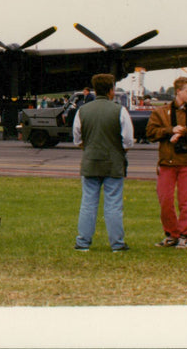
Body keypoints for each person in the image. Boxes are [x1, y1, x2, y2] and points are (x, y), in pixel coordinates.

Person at [72, 74, 134, 252]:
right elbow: (128, 140)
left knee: (88, 203)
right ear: (111, 90)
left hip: (90, 161)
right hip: (113, 163)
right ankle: (117, 244)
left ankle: (83, 242)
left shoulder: (82, 111)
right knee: (113, 204)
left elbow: (77, 139)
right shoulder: (119, 110)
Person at [145, 76, 187, 250]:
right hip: (167, 162)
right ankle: (171, 234)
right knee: (165, 200)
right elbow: (150, 132)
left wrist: (184, 132)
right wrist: (169, 130)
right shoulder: (160, 112)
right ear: (178, 91)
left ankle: (184, 235)